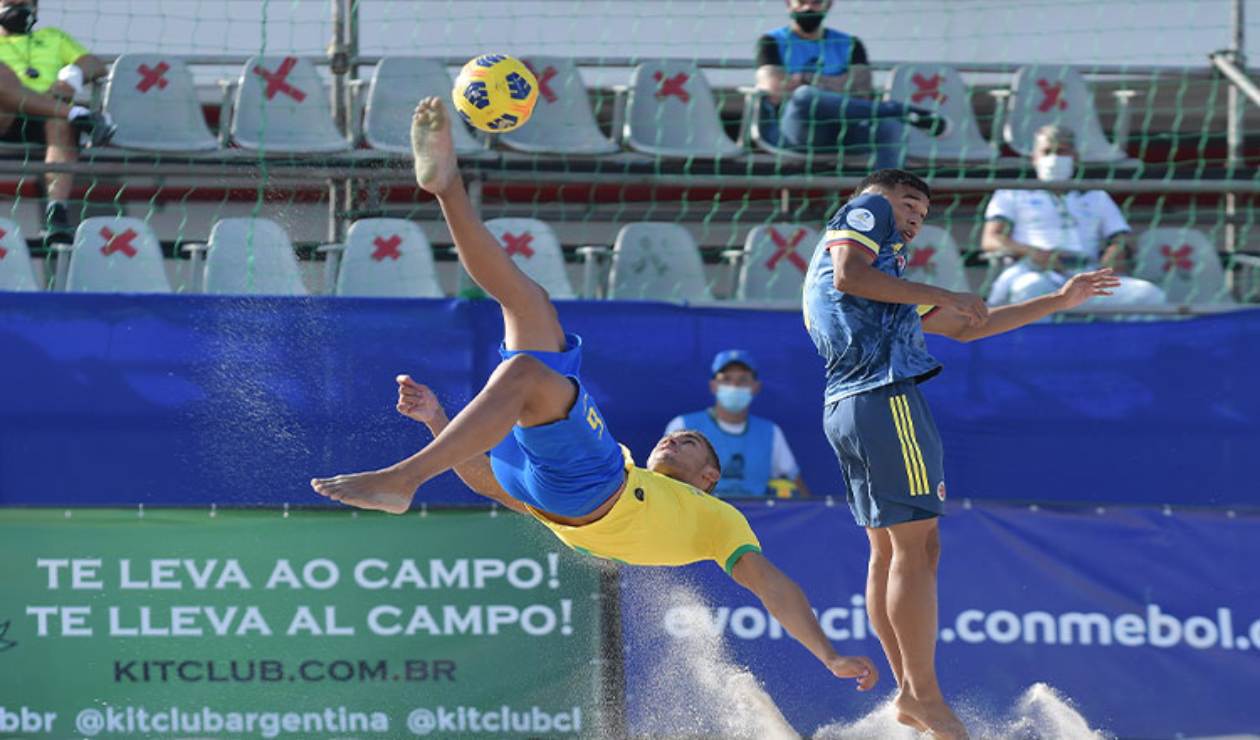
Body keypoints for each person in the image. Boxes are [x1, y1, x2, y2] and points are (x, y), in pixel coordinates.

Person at [311, 96, 880, 693]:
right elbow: (496, 486)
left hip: (598, 494)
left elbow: (774, 586)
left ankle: (402, 479)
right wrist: (436, 419)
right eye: (677, 432)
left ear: (710, 477)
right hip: (552, 490)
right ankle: (448, 189)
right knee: (527, 304)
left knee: (529, 374)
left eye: (691, 443)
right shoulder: (628, 465)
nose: (675, 436)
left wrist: (828, 655)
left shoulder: (718, 518)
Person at [803, 168, 1119, 737]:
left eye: (922, 212)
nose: (916, 216)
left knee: (891, 552)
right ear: (874, 198)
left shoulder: (887, 284)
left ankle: (909, 694)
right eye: (909, 203)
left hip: (848, 407)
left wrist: (1058, 298)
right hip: (883, 398)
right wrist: (941, 290)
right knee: (918, 549)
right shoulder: (866, 216)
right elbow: (853, 275)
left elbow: (970, 327)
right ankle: (924, 695)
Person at [981, 124, 1165, 307]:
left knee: (1148, 295)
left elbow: (1122, 237)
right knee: (1030, 290)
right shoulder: (1012, 193)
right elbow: (991, 240)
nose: (1054, 158)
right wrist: (1032, 252)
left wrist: (1115, 251)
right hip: (1038, 273)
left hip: (1087, 276)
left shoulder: (1096, 196)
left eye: (1061, 152)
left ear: (1074, 157)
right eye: (1047, 152)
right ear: (1034, 158)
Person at [754, 0, 946, 167]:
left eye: (816, 2)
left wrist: (806, 78)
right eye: (802, 1)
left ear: (828, 5)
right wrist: (835, 84)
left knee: (891, 127)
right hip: (797, 132)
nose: (808, 7)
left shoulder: (851, 44)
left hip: (845, 129)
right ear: (789, 4)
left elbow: (862, 93)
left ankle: (886, 202)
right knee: (805, 96)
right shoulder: (771, 41)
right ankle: (899, 109)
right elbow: (776, 91)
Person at [0, 0, 114, 243]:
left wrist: (72, 77)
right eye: (10, 4)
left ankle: (57, 212)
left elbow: (93, 64)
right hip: (4, 115)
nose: (18, 10)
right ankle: (77, 115)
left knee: (59, 123)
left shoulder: (52, 37)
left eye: (24, 4)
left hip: (45, 115)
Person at [664, 349, 812, 498]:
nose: (734, 386)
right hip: (698, 516)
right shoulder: (682, 426)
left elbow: (799, 489)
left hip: (756, 520)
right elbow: (663, 484)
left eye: (743, 380)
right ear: (713, 386)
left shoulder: (771, 432)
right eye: (726, 379)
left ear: (755, 387)